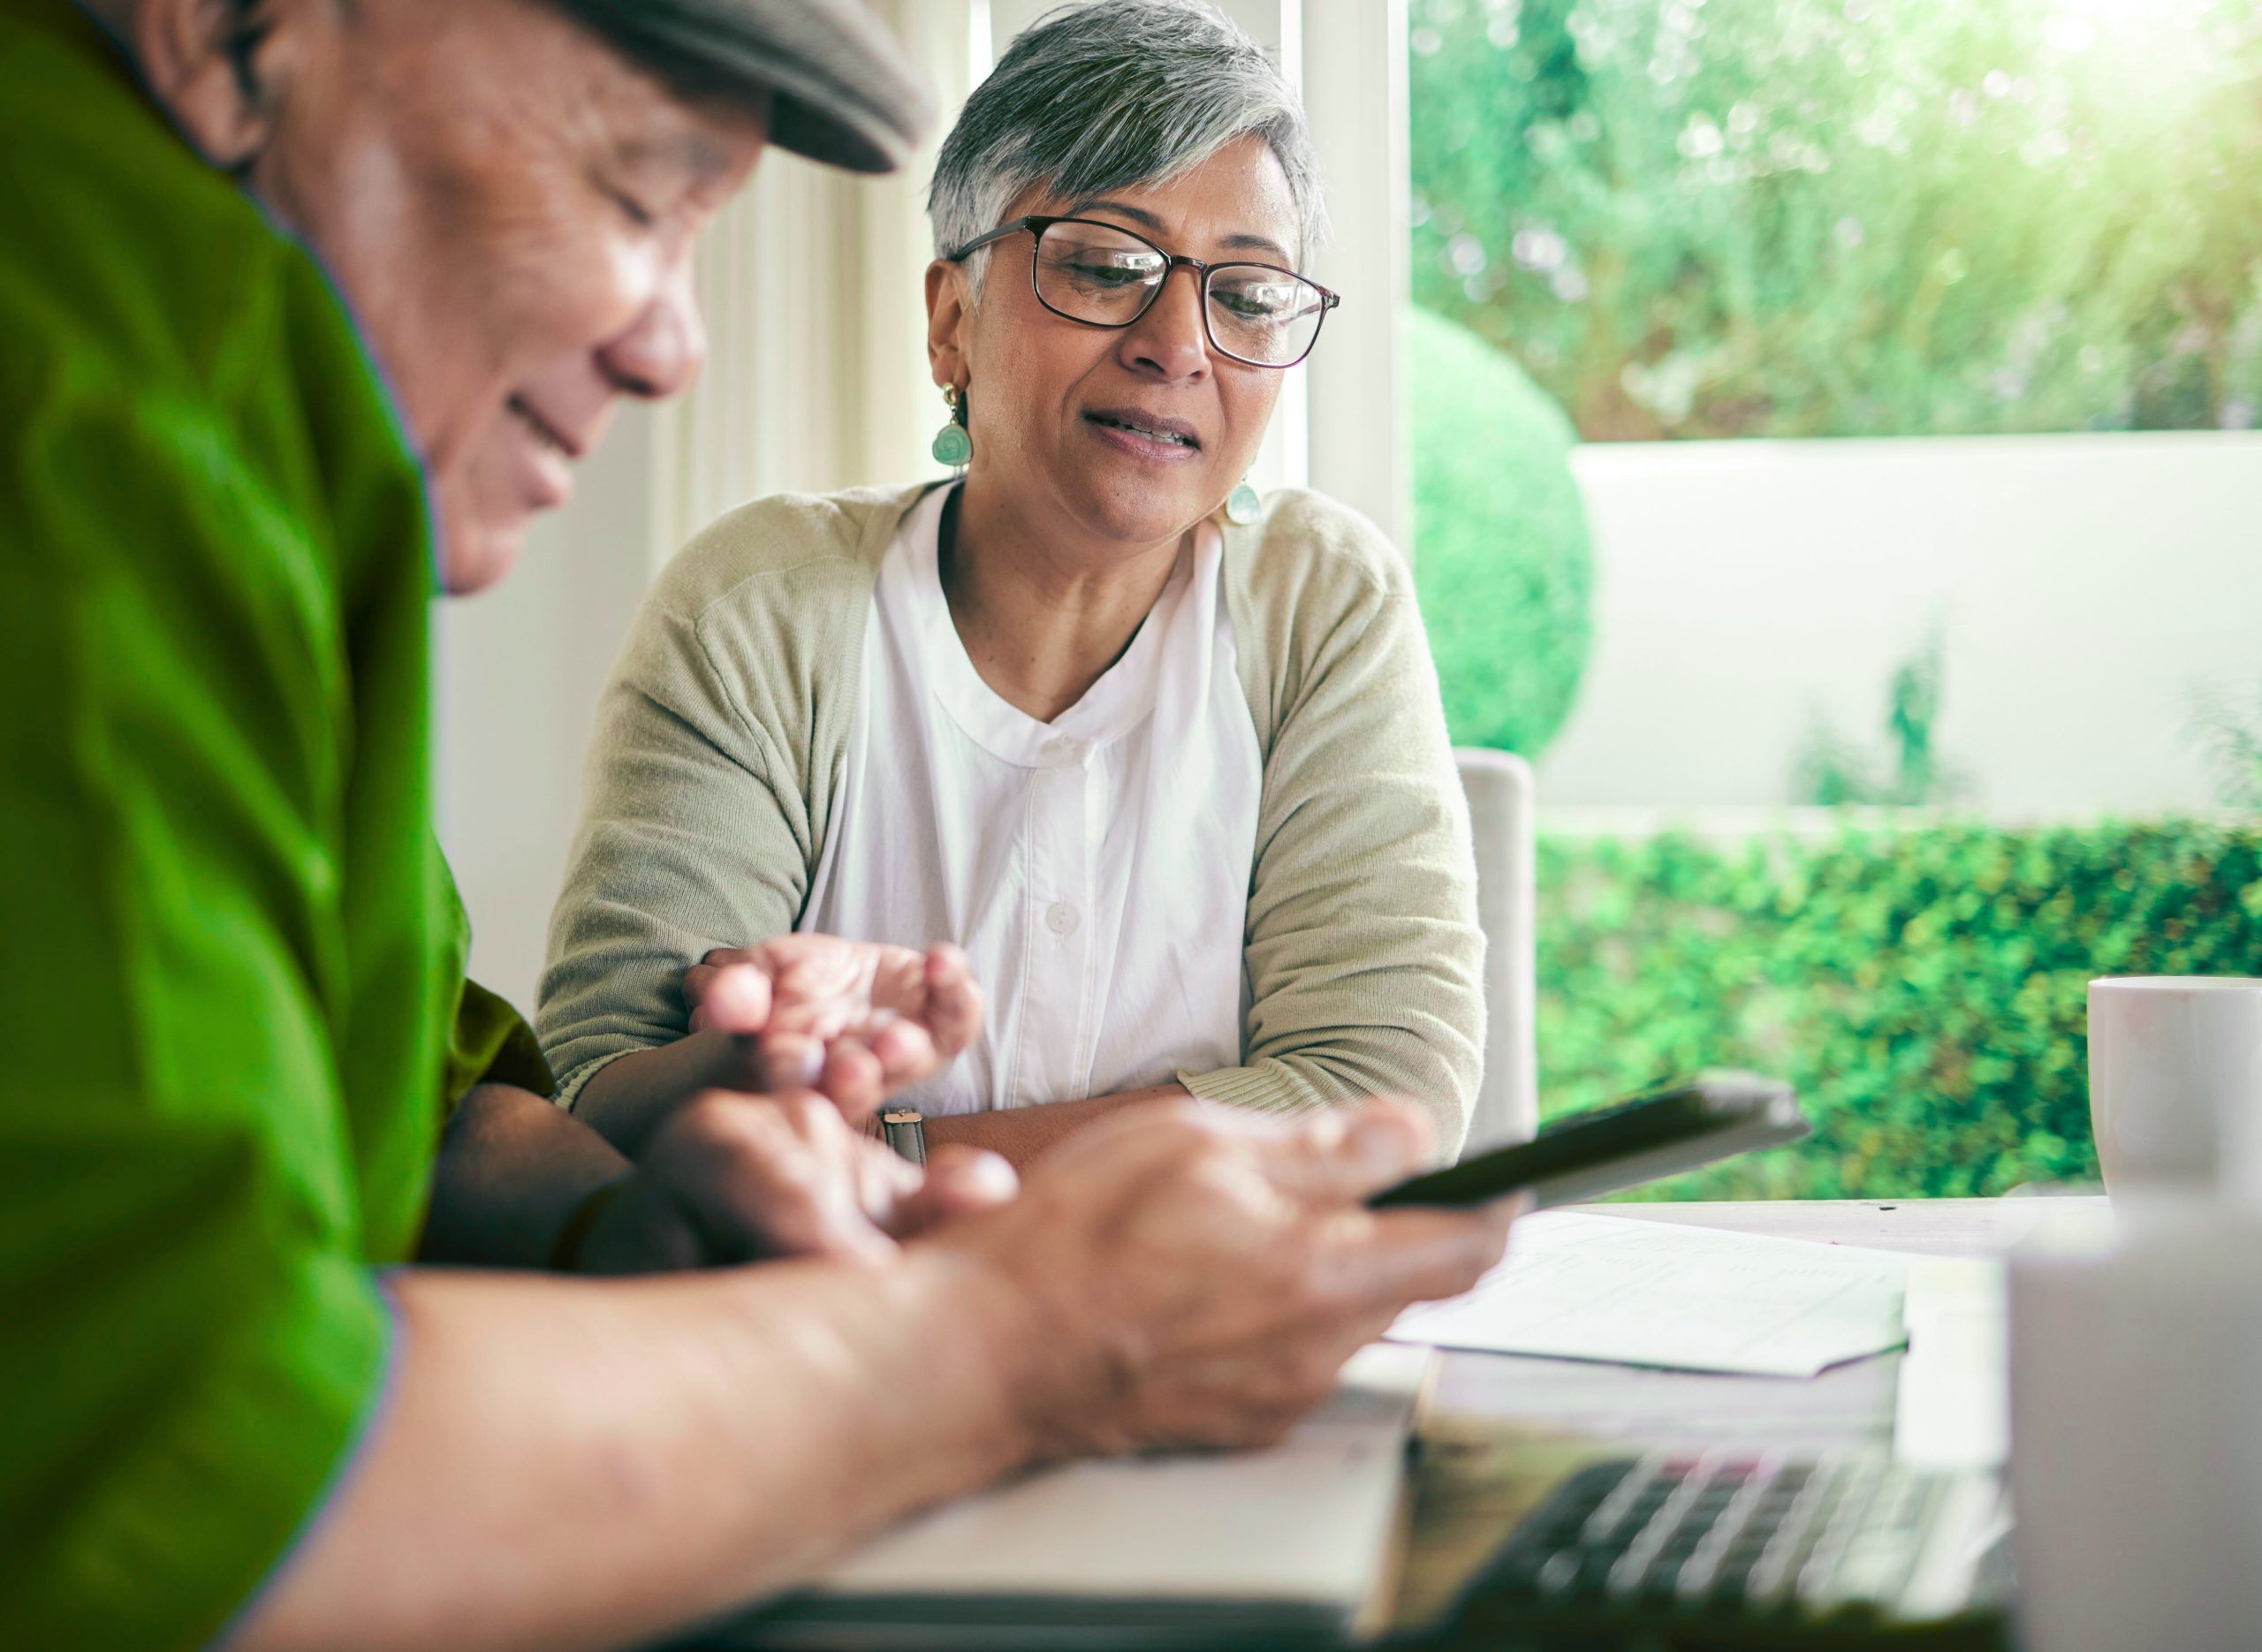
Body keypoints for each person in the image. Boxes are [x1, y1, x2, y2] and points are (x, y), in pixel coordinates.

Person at [0, 2, 1521, 1649]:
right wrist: (1010, 1337)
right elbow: (191, 1471)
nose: (675, 348)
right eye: (638, 194)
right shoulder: (85, 397)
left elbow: (431, 1099)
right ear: (231, 30)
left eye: (1244, 294)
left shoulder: (285, 510)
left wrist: (640, 1214)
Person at [540, 0, 1487, 1172]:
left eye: (1246, 294)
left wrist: (892, 1148)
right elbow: (601, 1086)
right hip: (833, 1342)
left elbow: (1381, 1094)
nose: (1179, 342)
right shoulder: (759, 608)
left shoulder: (1321, 604)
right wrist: (756, 1066)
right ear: (952, 323)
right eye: (1103, 264)